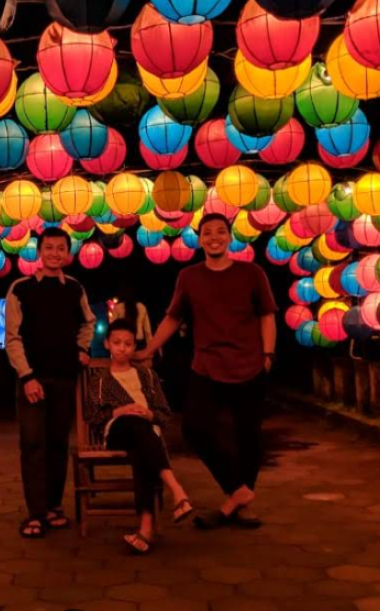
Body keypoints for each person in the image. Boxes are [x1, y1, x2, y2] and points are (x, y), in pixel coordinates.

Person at [137, 212, 278, 530]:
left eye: (220, 231)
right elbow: (173, 317)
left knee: (248, 437)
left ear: (230, 237)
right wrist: (148, 349)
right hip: (206, 365)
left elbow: (267, 315)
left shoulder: (252, 273)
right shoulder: (189, 277)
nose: (214, 237)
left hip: (249, 364)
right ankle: (238, 490)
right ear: (199, 240)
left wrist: (267, 355)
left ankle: (240, 506)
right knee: (194, 429)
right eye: (207, 233)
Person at [4, 227, 96, 538]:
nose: (55, 253)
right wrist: (27, 376)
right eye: (49, 248)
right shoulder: (21, 288)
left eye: (61, 249)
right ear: (39, 252)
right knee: (33, 444)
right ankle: (36, 513)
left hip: (65, 378)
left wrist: (83, 348)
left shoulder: (74, 288)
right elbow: (13, 337)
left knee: (58, 444)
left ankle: (54, 506)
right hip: (32, 379)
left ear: (68, 254)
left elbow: (89, 323)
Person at [84, 319, 193, 553]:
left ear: (134, 346)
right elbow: (91, 416)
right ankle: (176, 489)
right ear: (107, 344)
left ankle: (144, 530)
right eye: (117, 343)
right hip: (116, 430)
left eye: (128, 344)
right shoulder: (100, 380)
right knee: (135, 424)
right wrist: (121, 410)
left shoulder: (147, 375)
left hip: (145, 433)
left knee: (141, 448)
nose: (122, 348)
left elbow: (165, 414)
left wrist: (150, 413)